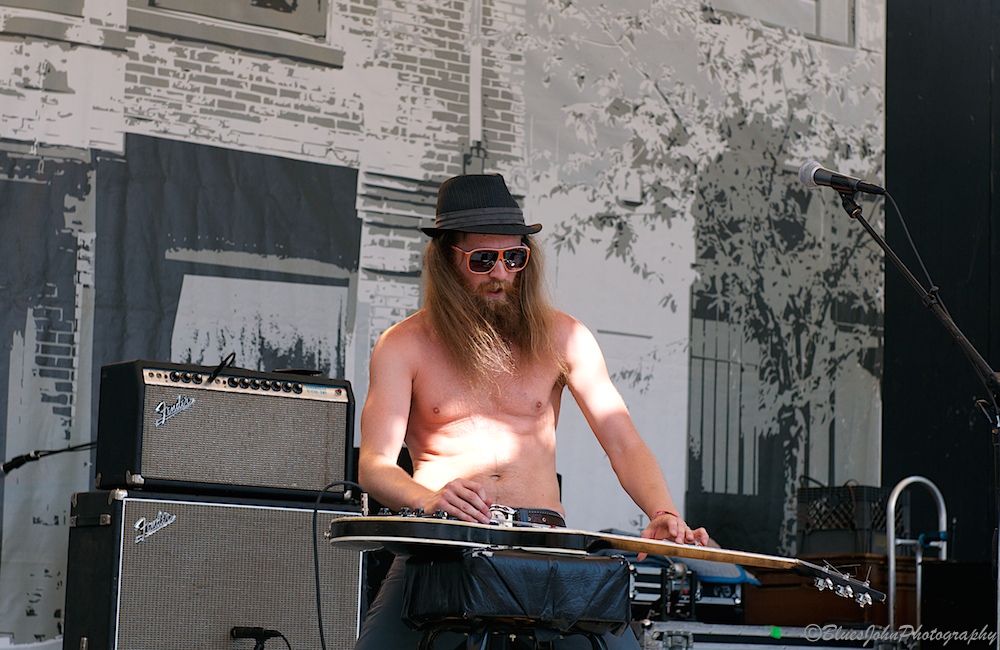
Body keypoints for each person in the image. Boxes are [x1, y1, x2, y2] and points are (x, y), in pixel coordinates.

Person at [355, 173, 709, 649]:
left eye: (514, 257)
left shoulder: (565, 336)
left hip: (543, 545)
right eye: (483, 260)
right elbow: (374, 465)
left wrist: (662, 511)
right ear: (445, 259)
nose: (501, 274)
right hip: (445, 542)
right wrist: (428, 499)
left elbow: (623, 441)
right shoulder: (402, 345)